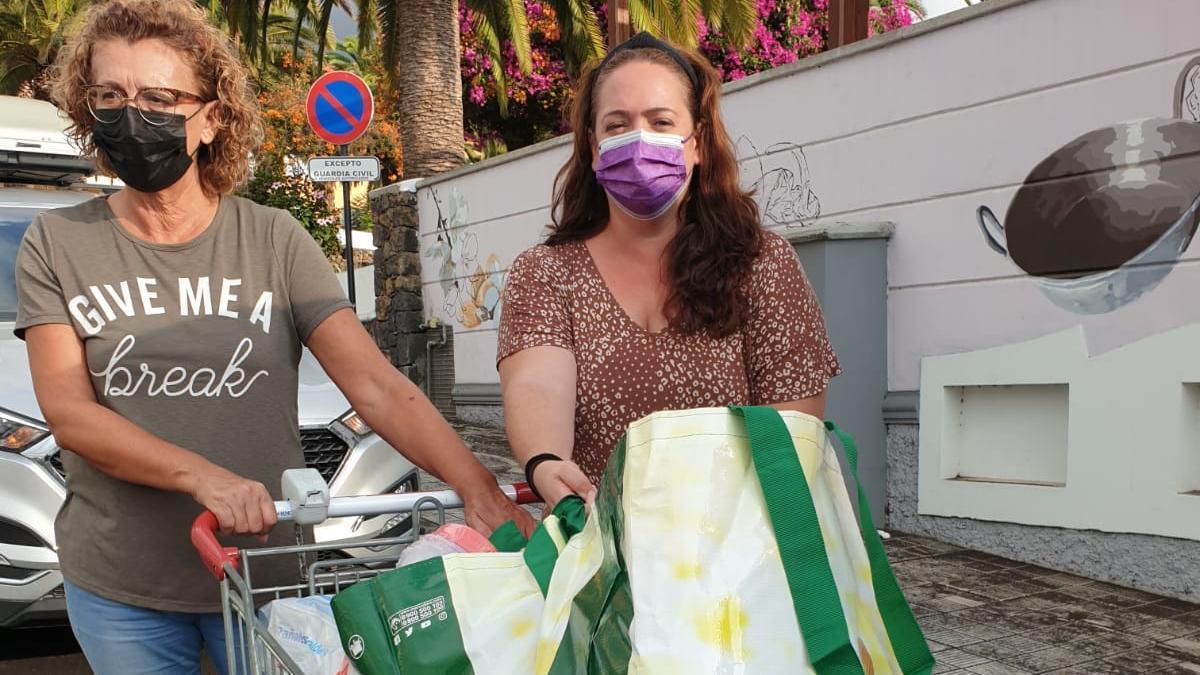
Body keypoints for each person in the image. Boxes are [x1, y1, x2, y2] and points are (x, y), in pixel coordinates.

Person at [15, 1, 533, 672]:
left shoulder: (271, 238)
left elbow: (375, 384)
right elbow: (71, 413)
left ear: (212, 117)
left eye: (158, 97)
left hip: (268, 575)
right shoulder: (58, 243)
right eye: (109, 95)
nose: (129, 115)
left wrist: (477, 485)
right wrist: (203, 477)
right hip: (124, 587)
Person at [497, 33, 842, 509]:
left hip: (743, 552)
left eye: (660, 121)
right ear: (594, 149)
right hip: (605, 555)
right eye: (617, 126)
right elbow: (536, 382)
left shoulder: (761, 263)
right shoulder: (546, 273)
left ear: (696, 144)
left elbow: (793, 432)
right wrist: (544, 461)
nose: (639, 141)